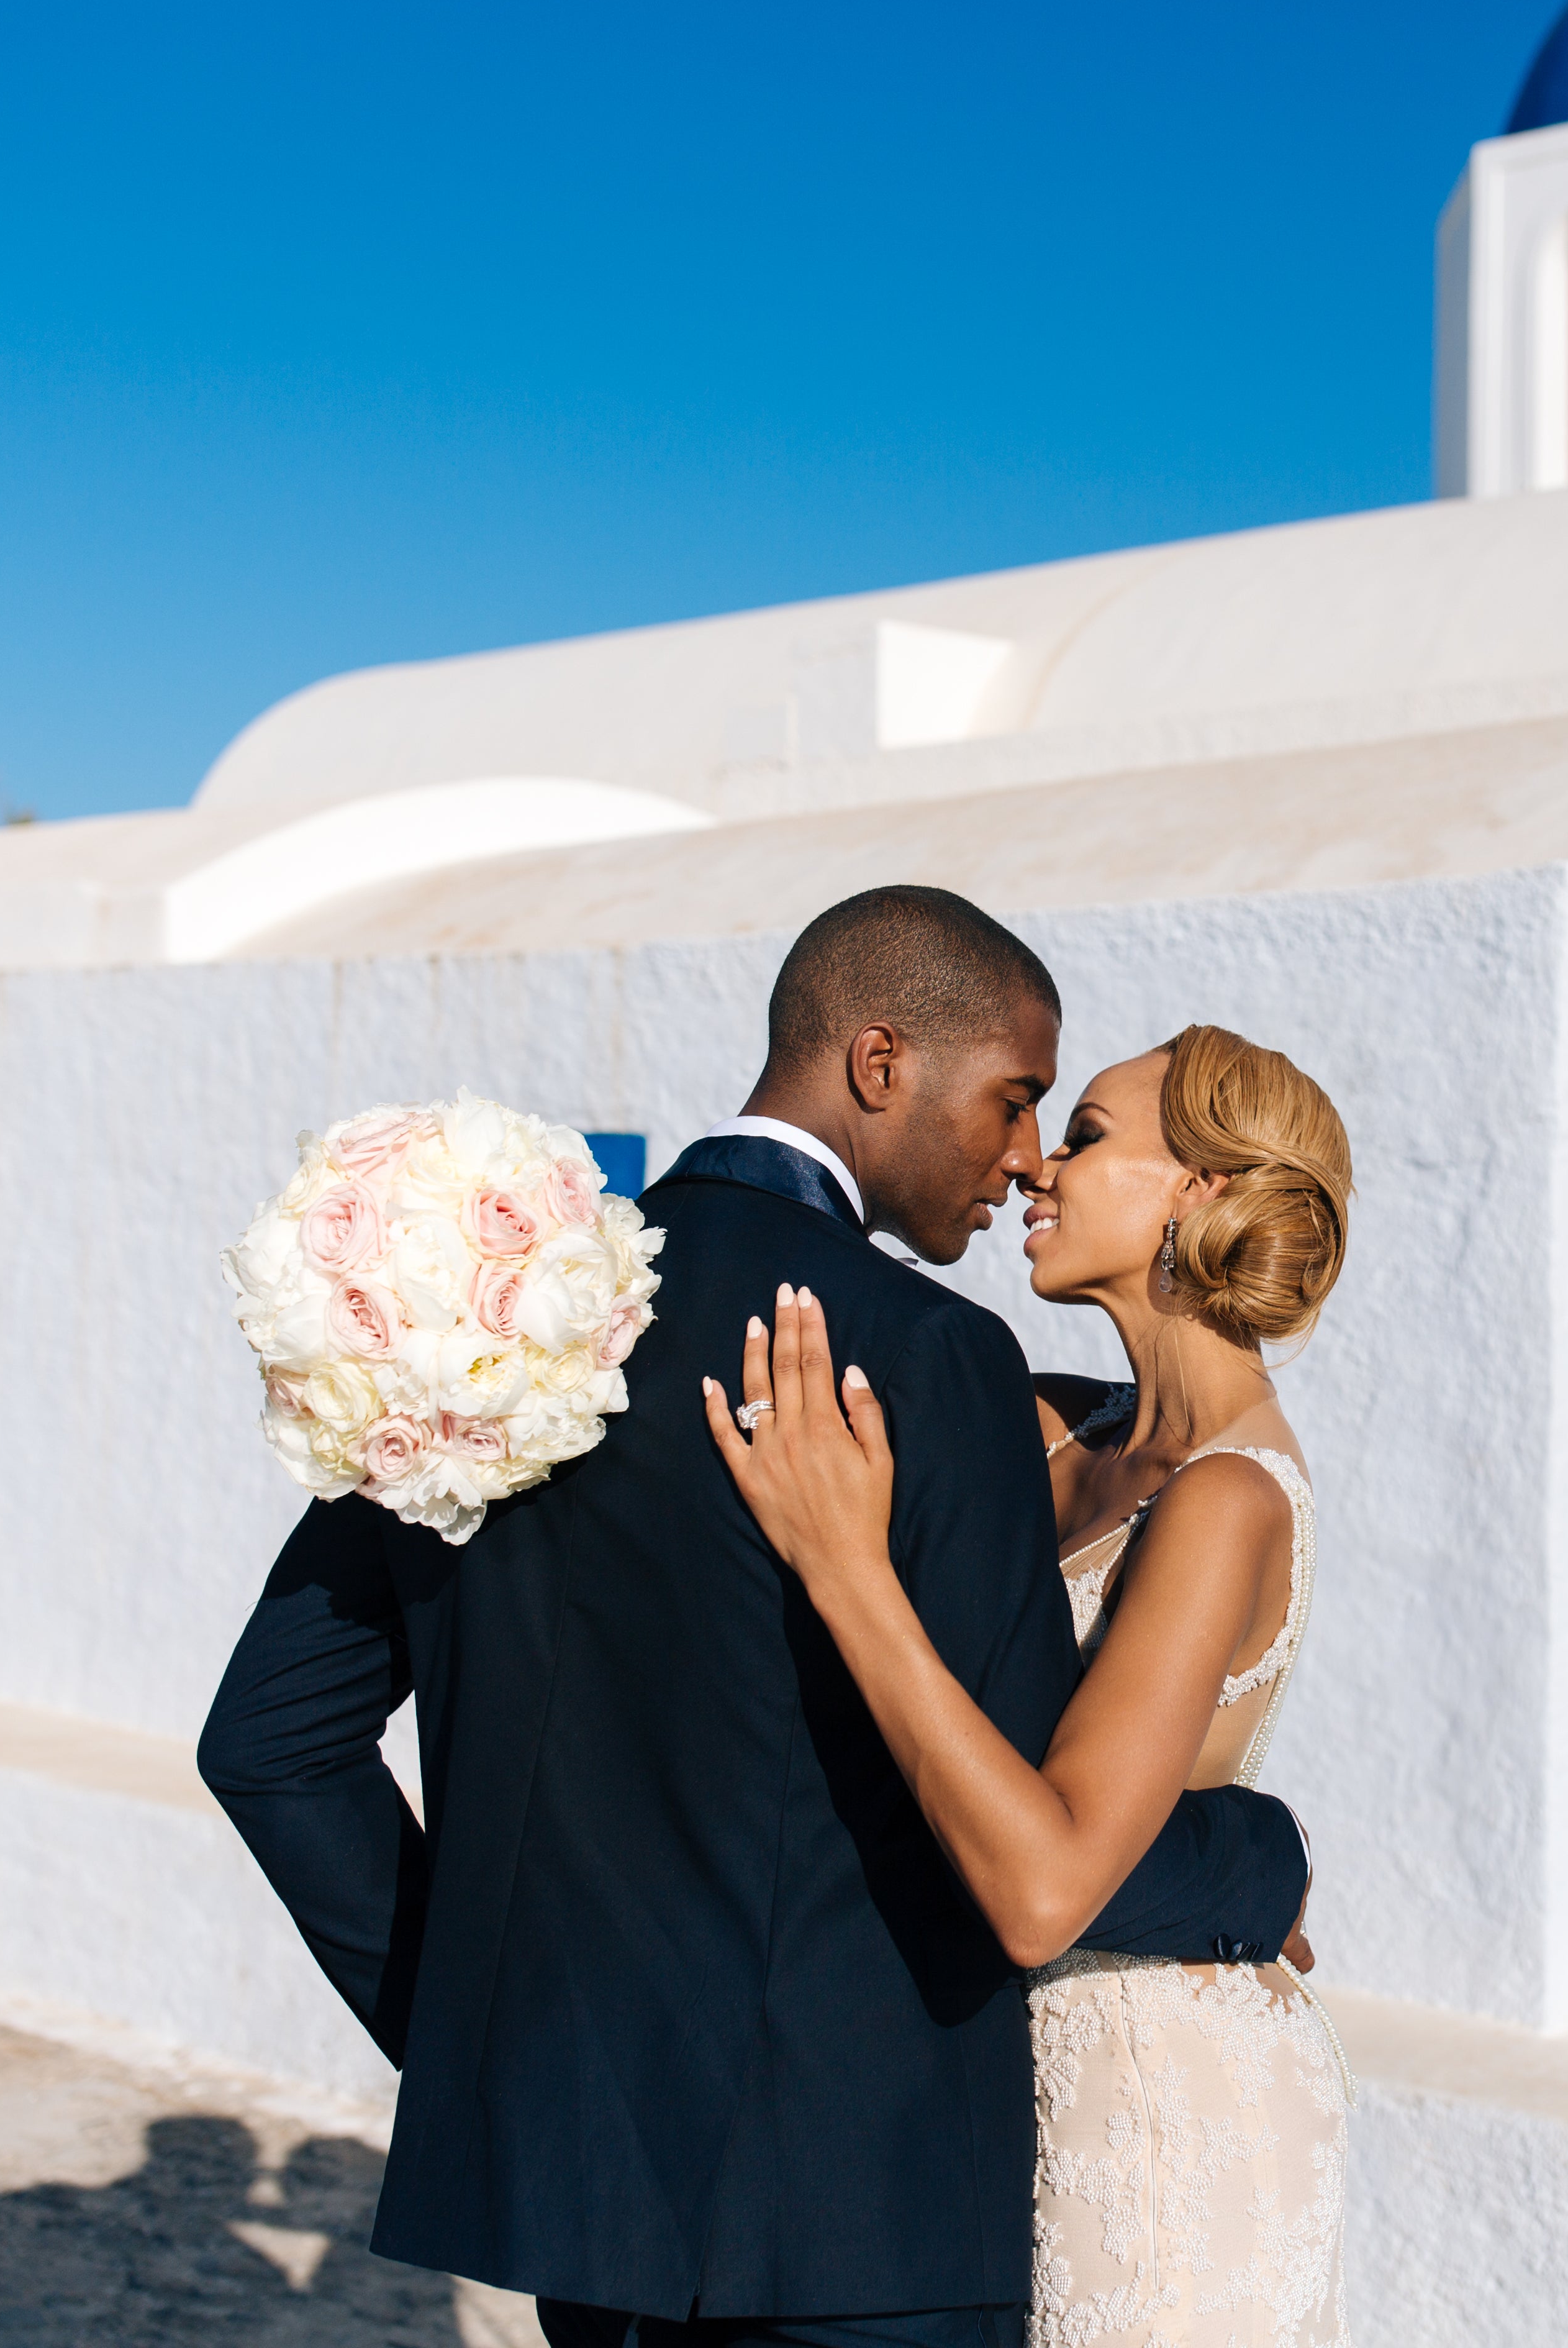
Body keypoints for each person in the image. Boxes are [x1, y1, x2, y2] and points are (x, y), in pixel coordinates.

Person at [196, 888, 1313, 2348]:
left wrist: (496, 2046)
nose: (1022, 1153)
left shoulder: (495, 1330)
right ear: (880, 1064)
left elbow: (272, 1745)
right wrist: (1256, 1860)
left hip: (590, 2218)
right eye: (1016, 1098)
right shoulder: (929, 1361)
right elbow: (1035, 1827)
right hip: (866, 2235)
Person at [707, 1023, 1353, 2348]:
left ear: (1203, 1192)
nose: (1040, 1166)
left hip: (1162, 2113)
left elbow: (1050, 1881)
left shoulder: (1228, 1498)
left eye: (1093, 1135)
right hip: (1014, 2082)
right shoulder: (1056, 1430)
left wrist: (846, 1567)